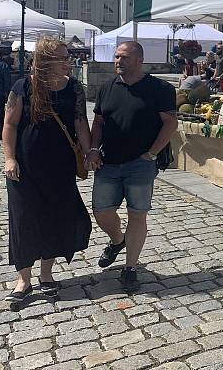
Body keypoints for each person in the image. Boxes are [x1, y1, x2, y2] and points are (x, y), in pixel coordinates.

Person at [1, 37, 92, 303]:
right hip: (25, 167)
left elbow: (80, 122)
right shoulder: (23, 87)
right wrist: (9, 158)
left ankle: (46, 274)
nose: (68, 61)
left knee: (54, 217)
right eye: (63, 57)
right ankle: (23, 280)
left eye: (68, 56)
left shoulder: (74, 88)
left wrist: (89, 152)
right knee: (23, 220)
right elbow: (9, 125)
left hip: (59, 167)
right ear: (46, 61)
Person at [86, 41, 177, 288]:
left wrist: (152, 153)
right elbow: (99, 123)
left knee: (137, 214)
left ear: (139, 60)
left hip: (140, 164)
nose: (118, 61)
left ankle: (130, 267)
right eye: (116, 57)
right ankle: (117, 240)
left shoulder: (160, 88)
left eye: (124, 57)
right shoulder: (107, 87)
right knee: (101, 211)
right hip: (109, 162)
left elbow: (170, 123)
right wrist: (94, 149)